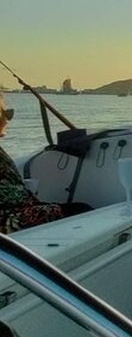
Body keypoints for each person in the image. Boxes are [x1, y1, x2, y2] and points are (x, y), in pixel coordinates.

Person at [0, 92, 91, 234]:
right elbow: (10, 197)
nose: (8, 118)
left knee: (75, 210)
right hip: (7, 222)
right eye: (5, 112)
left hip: (14, 213)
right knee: (82, 211)